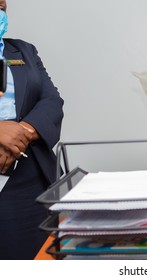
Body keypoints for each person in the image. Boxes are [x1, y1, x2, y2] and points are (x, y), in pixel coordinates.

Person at [0, 0, 64, 259]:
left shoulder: (24, 51)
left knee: (37, 260)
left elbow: (51, 102)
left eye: (2, 8)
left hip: (28, 174)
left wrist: (20, 132)